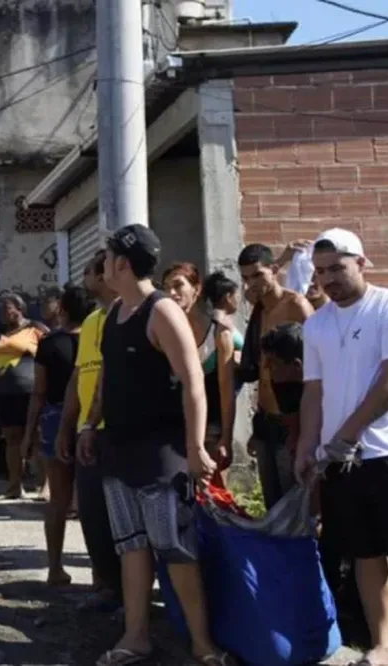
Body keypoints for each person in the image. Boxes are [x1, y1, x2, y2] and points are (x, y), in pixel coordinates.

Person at [79, 225, 229, 666]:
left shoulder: (161, 311)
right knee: (131, 544)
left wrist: (196, 446)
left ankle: (204, 646)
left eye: (107, 257)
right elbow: (108, 378)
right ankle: (136, 637)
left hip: (162, 451)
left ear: (123, 263)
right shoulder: (113, 315)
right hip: (119, 449)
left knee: (174, 546)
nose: (103, 264)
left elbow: (194, 382)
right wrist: (90, 424)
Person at [295, 228, 388, 666]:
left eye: (337, 267)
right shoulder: (316, 324)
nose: (329, 279)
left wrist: (347, 433)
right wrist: (307, 446)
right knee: (366, 553)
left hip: (383, 452)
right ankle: (382, 642)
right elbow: (313, 392)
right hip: (340, 462)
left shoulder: (386, 307)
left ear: (361, 263)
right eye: (320, 272)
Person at [55, 250, 122, 612]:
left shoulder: (130, 315)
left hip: (118, 433)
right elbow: (79, 377)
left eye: (89, 273)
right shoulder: (94, 320)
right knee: (93, 517)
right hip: (89, 433)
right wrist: (70, 427)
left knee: (123, 522)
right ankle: (106, 588)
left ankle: (132, 597)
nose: (84, 279)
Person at [25, 285, 94, 586]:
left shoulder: (50, 344)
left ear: (63, 310)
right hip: (93, 419)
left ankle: (55, 567)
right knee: (92, 502)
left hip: (55, 418)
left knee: (58, 500)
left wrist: (29, 434)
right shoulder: (96, 340)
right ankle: (100, 575)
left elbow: (39, 393)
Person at [236, 243, 313, 509]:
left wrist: (303, 431)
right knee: (273, 505)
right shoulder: (259, 310)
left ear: (274, 270)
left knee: (295, 508)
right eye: (246, 278)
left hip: (291, 422)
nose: (251, 284)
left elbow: (313, 371)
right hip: (266, 421)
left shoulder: (296, 306)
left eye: (258, 275)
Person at [163, 263, 244, 476]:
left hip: (211, 430)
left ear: (196, 290)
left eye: (178, 285)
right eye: (166, 287)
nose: (171, 293)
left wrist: (226, 437)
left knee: (210, 494)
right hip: (176, 430)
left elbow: (227, 390)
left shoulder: (219, 334)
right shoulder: (164, 335)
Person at [0, 294, 48, 500]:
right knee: (12, 439)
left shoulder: (35, 328)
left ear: (20, 309)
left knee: (37, 438)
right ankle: (14, 487)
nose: (4, 312)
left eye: (8, 307)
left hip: (32, 392)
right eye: (2, 309)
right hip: (5, 392)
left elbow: (52, 350)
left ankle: (45, 486)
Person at [24, 286, 64, 503]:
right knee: (46, 443)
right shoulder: (42, 332)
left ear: (58, 304)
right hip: (48, 394)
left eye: (45, 301)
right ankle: (46, 485)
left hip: (63, 397)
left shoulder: (64, 333)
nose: (41, 306)